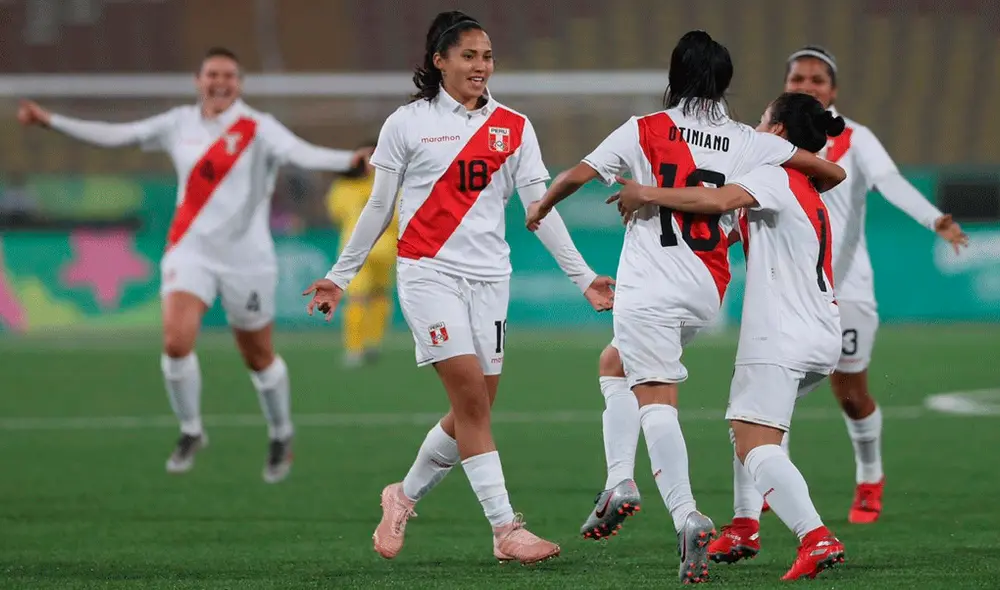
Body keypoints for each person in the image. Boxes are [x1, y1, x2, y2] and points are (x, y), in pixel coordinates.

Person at [525, 31, 846, 583]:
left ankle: (685, 513)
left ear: (673, 76)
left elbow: (577, 174)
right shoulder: (751, 140)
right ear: (726, 82)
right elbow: (828, 169)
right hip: (708, 289)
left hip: (653, 284)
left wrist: (541, 206)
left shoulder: (646, 129)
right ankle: (636, 484)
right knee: (617, 365)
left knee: (659, 401)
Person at [302, 11, 614, 564]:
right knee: (471, 396)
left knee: (475, 408)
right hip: (427, 272)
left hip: (491, 279)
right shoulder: (407, 123)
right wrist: (340, 275)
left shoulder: (515, 127)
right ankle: (505, 529)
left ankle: (402, 495)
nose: (480, 66)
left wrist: (584, 277)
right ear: (438, 61)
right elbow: (378, 207)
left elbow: (541, 210)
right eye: (468, 55)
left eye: (487, 56)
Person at [18, 47, 371, 483]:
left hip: (248, 258)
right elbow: (117, 135)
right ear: (197, 80)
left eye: (229, 75)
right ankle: (191, 430)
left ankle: (281, 432)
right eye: (212, 74)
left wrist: (349, 161)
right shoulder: (177, 124)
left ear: (239, 83)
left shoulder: (259, 128)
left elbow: (303, 153)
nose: (220, 82)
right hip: (191, 250)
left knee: (258, 357)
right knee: (175, 341)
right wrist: (52, 121)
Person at [612, 91, 849, 581]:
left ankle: (815, 536)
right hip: (821, 330)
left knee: (756, 446)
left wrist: (648, 193)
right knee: (748, 426)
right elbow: (733, 224)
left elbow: (720, 199)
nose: (755, 128)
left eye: (763, 120)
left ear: (779, 132)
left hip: (781, 334)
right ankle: (744, 526)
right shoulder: (806, 185)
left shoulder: (773, 176)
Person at [782, 45, 968, 523]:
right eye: (798, 78)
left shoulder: (856, 138)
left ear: (833, 90)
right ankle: (767, 480)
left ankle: (870, 477)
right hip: (789, 291)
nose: (806, 85)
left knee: (850, 392)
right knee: (772, 388)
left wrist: (935, 219)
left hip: (848, 290)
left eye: (817, 79)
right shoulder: (771, 138)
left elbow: (890, 181)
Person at [325, 139, 398, 368]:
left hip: (356, 249)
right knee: (379, 295)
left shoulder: (344, 188)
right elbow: (401, 216)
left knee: (358, 297)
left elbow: (336, 214)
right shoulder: (393, 183)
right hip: (385, 247)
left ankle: (356, 350)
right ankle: (372, 343)